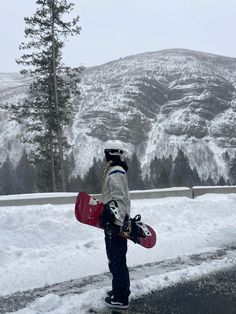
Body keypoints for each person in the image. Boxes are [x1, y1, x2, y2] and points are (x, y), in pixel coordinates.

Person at [101, 139, 131, 310]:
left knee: (117, 260)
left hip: (116, 224)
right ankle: (118, 290)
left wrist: (114, 220)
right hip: (115, 222)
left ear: (109, 153)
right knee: (115, 260)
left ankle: (121, 298)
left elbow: (119, 199)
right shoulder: (115, 170)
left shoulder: (116, 172)